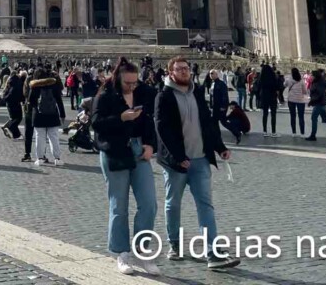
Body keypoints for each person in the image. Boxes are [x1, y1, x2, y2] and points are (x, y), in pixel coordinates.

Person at [154, 56, 239, 269]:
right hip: (176, 162)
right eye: (179, 69)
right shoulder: (163, 97)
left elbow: (208, 124)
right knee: (173, 204)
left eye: (186, 68)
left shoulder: (198, 92)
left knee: (206, 206)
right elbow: (162, 130)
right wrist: (177, 157)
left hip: (200, 159)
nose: (184, 72)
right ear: (170, 73)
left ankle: (212, 252)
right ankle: (173, 244)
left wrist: (220, 148)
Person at [90, 59, 159, 276]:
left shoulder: (143, 93)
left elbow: (149, 121)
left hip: (139, 148)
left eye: (134, 82)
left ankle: (142, 249)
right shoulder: (105, 95)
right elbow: (96, 123)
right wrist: (120, 117)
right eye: (128, 83)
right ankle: (122, 252)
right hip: (114, 150)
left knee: (149, 204)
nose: (132, 86)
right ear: (118, 78)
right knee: (119, 206)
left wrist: (151, 145)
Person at [28, 68, 65, 167]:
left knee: (40, 137)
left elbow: (30, 101)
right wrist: (62, 115)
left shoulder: (35, 86)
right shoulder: (54, 85)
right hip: (53, 115)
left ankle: (40, 158)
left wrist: (34, 109)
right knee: (54, 138)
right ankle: (57, 158)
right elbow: (59, 101)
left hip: (39, 116)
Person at [1, 67, 25, 140]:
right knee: (17, 118)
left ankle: (14, 132)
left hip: (10, 102)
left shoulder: (10, 81)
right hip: (14, 102)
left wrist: (5, 99)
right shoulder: (17, 82)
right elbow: (15, 92)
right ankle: (15, 134)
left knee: (14, 118)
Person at [256, 63, 280, 138]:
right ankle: (273, 132)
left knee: (265, 114)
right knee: (273, 115)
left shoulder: (261, 77)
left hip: (264, 96)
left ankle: (265, 131)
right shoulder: (273, 76)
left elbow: (258, 87)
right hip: (272, 96)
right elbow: (277, 87)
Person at [283, 68, 308, 137]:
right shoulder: (302, 80)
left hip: (291, 100)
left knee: (292, 116)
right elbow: (305, 91)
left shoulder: (288, 79)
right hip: (300, 100)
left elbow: (284, 85)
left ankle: (294, 132)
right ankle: (302, 133)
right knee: (301, 117)